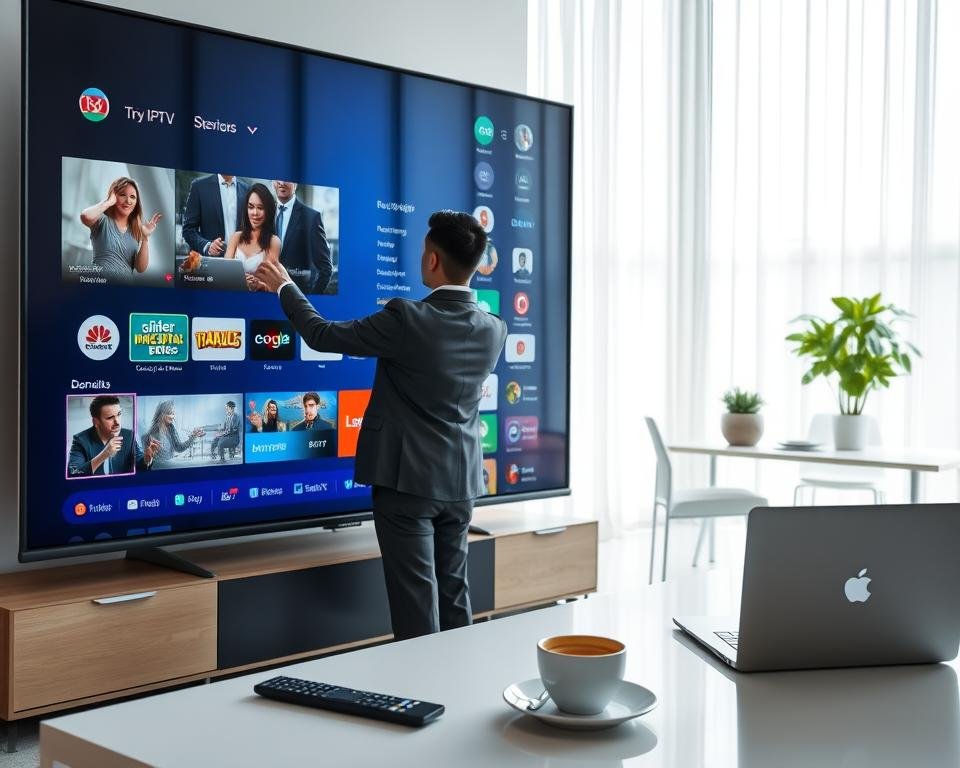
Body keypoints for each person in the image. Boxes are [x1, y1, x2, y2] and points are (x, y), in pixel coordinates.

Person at [255, 210, 508, 641]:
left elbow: (321, 334)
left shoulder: (408, 318)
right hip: (462, 481)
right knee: (454, 596)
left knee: (415, 608)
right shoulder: (494, 328)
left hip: (406, 482)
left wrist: (285, 287)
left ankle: (420, 700)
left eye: (424, 252)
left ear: (432, 261)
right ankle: (461, 687)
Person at [79, 177, 162, 281]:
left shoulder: (136, 229)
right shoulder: (102, 220)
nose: (128, 201)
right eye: (123, 195)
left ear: (136, 202)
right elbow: (85, 216)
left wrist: (145, 238)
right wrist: (108, 202)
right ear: (114, 196)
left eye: (133, 197)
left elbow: (140, 268)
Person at [68, 395, 159, 477]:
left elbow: (139, 464)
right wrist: (104, 454)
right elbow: (73, 473)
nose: (117, 422)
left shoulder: (129, 435)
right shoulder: (80, 440)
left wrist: (147, 458)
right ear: (96, 421)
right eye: (110, 417)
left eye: (119, 414)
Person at [273, 180, 333, 294]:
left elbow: (326, 269)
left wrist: (311, 300)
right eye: (277, 179)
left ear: (296, 183)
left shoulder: (311, 217)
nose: (281, 183)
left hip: (299, 299)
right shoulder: (264, 213)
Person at [224, 183, 281, 290]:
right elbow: (224, 274)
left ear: (268, 211)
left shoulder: (273, 241)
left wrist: (257, 284)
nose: (255, 213)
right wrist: (240, 280)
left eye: (260, 208)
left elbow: (270, 282)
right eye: (251, 207)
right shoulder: (236, 237)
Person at [181, 173, 249, 256]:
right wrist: (207, 246)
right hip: (213, 263)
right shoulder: (199, 187)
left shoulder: (247, 190)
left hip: (242, 262)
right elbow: (188, 230)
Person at [144, 400, 205, 468]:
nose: (173, 417)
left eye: (173, 414)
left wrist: (194, 436)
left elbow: (179, 448)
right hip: (159, 467)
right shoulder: (153, 434)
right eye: (171, 413)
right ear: (162, 414)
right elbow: (149, 461)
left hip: (170, 464)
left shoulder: (171, 428)